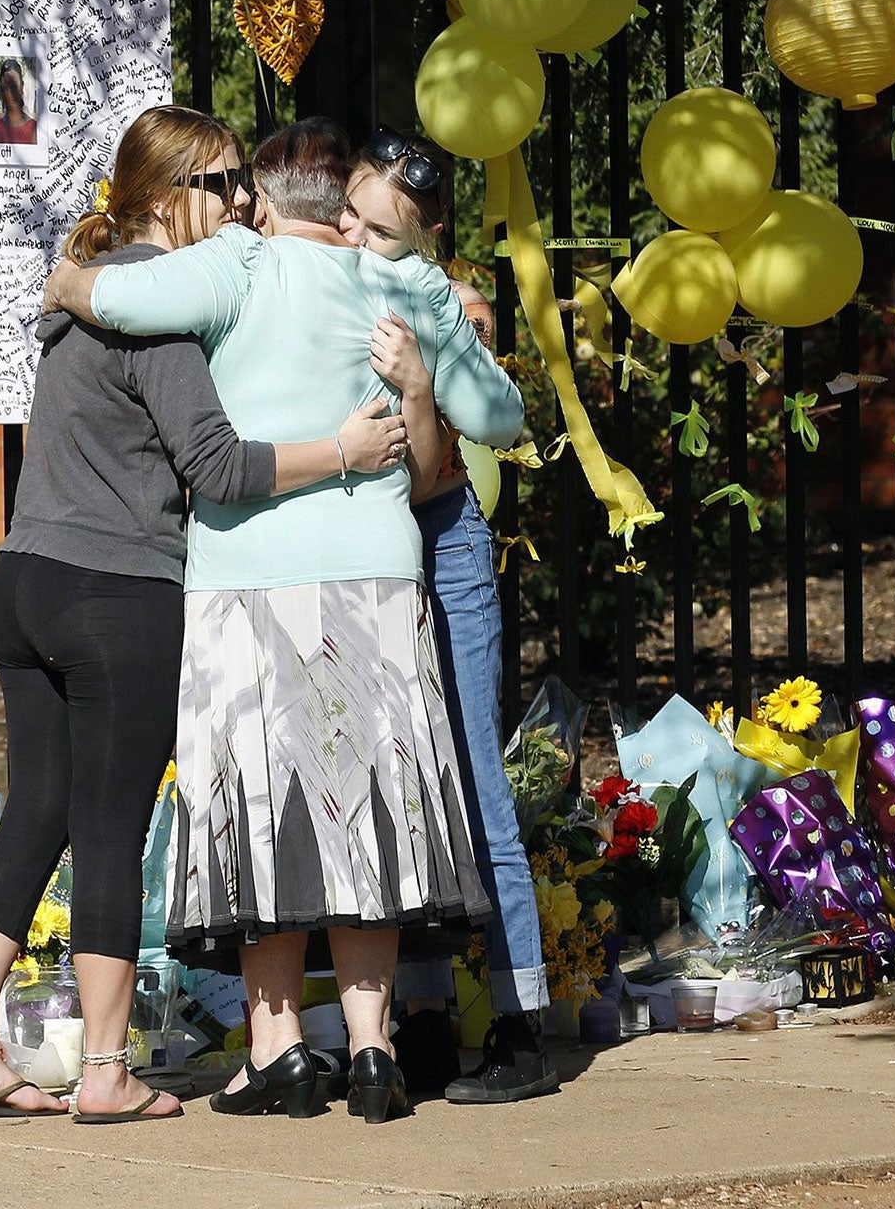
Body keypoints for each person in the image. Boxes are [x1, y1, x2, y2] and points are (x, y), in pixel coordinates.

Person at [0, 105, 410, 1125]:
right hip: (115, 596)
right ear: (162, 199)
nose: (242, 202)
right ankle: (105, 1070)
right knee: (109, 830)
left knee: (35, 816)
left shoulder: (80, 302)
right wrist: (345, 453)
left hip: (24, 582)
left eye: (245, 183)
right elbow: (220, 467)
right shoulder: (151, 316)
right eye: (223, 183)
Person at [39, 116, 524, 1125]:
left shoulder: (236, 264)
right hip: (376, 574)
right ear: (341, 198)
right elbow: (501, 418)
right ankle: (375, 1045)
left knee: (261, 811)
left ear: (259, 198)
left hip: (244, 574)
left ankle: (275, 1048)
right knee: (368, 813)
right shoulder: (399, 283)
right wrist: (425, 362)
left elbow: (119, 295)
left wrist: (63, 281)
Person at [342, 127, 558, 1105]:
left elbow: (504, 420)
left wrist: (432, 333)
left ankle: (522, 1027)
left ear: (425, 238)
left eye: (383, 232)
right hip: (353, 553)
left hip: (440, 543)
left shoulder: (421, 293)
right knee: (391, 785)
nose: (357, 238)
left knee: (473, 781)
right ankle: (420, 1021)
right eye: (347, 214)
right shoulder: (311, 277)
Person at [0, 59, 39, 145]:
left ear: (21, 86)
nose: (9, 93)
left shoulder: (33, 128)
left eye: (13, 86)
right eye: (5, 87)